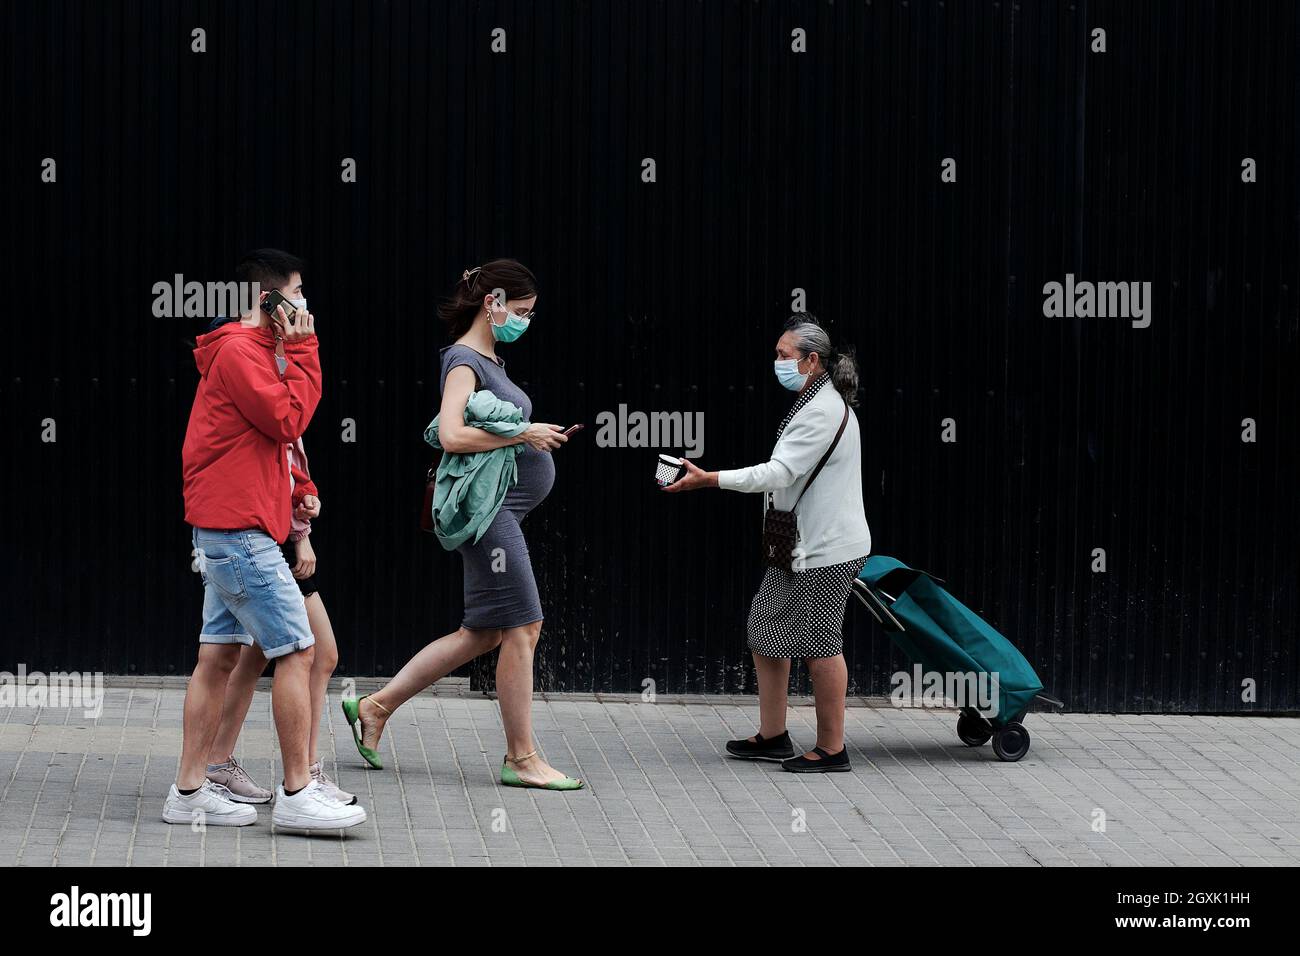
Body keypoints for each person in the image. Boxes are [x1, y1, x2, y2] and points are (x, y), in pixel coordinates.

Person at [340, 259, 583, 791]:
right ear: (491, 304)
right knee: (524, 628)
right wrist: (523, 435)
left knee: (482, 632)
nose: (525, 320)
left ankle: (375, 708)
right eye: (520, 311)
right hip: (491, 517)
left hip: (502, 513)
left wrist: (530, 436)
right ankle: (521, 759)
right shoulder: (463, 361)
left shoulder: (490, 356)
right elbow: (450, 434)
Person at [165, 248, 365, 828]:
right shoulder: (238, 351)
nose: (305, 305)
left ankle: (188, 792)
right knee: (298, 651)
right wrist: (305, 349)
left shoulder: (254, 350)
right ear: (267, 300)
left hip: (236, 526)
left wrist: (296, 489)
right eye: (298, 293)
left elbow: (278, 443)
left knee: (220, 656)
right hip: (237, 531)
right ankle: (299, 794)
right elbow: (287, 420)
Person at [665, 315, 872, 773]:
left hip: (826, 548)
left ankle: (832, 749)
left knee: (820, 642)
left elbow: (778, 473)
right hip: (796, 544)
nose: (776, 361)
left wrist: (710, 479)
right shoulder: (814, 399)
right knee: (765, 628)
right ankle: (774, 735)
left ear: (812, 360)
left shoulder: (821, 411)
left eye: (784, 355)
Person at [203, 433, 355, 806]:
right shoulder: (263, 395)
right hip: (266, 539)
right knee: (314, 654)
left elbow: (290, 471)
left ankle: (217, 762)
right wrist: (300, 534)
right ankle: (303, 774)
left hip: (275, 535)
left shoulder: (277, 396)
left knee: (254, 657)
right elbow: (266, 472)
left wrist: (306, 503)